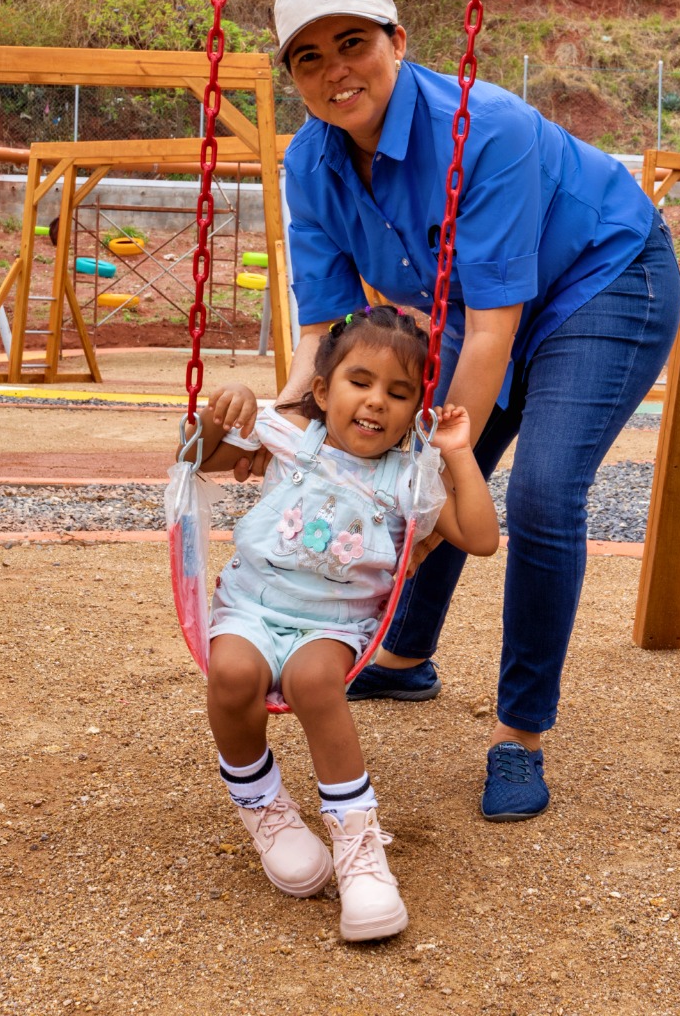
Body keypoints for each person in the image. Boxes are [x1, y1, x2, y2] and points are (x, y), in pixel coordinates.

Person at [253, 0, 680, 824]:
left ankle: (520, 734)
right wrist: (289, 417)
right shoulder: (310, 162)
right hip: (475, 311)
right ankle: (407, 657)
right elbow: (325, 336)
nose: (336, 71)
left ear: (397, 42)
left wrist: (435, 459)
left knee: (532, 485)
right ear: (293, 77)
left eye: (353, 44)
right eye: (309, 59)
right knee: (409, 459)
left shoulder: (485, 129)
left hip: (604, 278)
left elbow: (493, 331)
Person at [198, 304, 498, 941]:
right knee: (229, 674)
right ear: (321, 390)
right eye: (359, 382)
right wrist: (225, 408)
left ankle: (358, 850)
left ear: (416, 409)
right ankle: (266, 808)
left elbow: (479, 537)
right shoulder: (286, 435)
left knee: (313, 682)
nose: (376, 403)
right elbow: (199, 459)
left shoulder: (408, 477)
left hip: (332, 627)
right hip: (251, 606)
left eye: (399, 392)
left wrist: (457, 453)